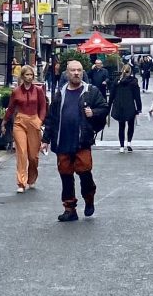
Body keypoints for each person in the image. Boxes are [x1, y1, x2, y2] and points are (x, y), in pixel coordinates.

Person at [42, 59, 108, 221]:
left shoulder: (90, 91)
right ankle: (69, 209)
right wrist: (46, 139)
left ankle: (89, 199)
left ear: (83, 72)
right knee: (66, 176)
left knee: (85, 174)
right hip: (62, 141)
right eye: (73, 70)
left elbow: (104, 108)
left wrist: (93, 112)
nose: (76, 73)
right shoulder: (60, 93)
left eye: (79, 70)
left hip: (82, 141)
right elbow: (52, 117)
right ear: (66, 73)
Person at [2, 65, 47, 192]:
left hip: (34, 120)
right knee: (22, 152)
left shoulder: (38, 90)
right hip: (20, 121)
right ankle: (21, 183)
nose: (29, 77)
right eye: (26, 75)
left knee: (33, 156)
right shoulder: (16, 91)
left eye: (31, 75)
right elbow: (11, 108)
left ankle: (32, 178)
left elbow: (43, 106)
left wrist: (40, 120)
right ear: (22, 76)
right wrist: (4, 122)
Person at [109, 63, 142, 152]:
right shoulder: (133, 81)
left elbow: (112, 94)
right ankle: (129, 143)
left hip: (119, 106)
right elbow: (137, 96)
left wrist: (109, 106)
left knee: (121, 126)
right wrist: (139, 108)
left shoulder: (117, 81)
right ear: (130, 71)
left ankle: (121, 146)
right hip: (130, 106)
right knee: (131, 125)